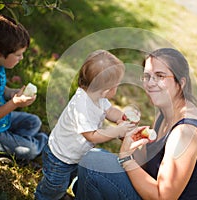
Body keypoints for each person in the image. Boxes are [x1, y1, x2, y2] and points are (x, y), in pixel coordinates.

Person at [74, 48, 197, 199]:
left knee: (92, 164)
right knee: (92, 170)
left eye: (160, 76)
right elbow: (148, 168)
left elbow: (162, 197)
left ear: (180, 83)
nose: (150, 83)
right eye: (147, 76)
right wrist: (130, 139)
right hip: (150, 190)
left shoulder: (185, 133)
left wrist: (126, 159)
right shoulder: (166, 113)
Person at [35, 50, 136, 200]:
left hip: (76, 156)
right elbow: (91, 135)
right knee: (54, 186)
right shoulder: (81, 105)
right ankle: (45, 197)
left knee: (66, 180)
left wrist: (122, 117)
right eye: (117, 86)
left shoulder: (97, 96)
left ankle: (59, 194)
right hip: (60, 157)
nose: (117, 88)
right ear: (106, 91)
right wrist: (116, 131)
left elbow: (110, 111)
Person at [0, 15, 48, 161]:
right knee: (29, 150)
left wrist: (10, 93)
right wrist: (14, 103)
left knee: (34, 122)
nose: (21, 58)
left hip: (2, 121)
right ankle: (40, 144)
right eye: (18, 55)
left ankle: (14, 145)